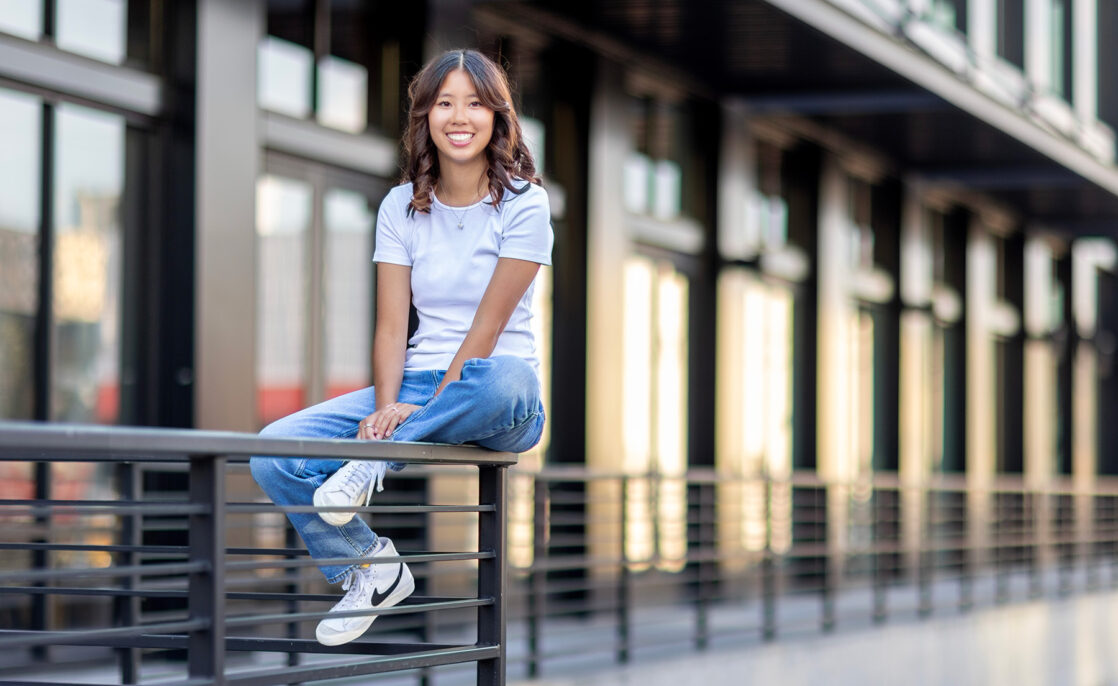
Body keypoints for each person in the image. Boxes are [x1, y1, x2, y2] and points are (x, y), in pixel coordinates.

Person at [250, 48, 552, 647]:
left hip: (497, 395)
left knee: (507, 377)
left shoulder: (524, 203)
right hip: (416, 388)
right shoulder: (401, 205)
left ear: (497, 117)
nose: (459, 116)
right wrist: (387, 408)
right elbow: (392, 328)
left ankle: (374, 464)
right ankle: (369, 568)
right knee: (271, 453)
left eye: (474, 103)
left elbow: (487, 330)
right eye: (445, 103)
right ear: (426, 116)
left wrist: (387, 442)